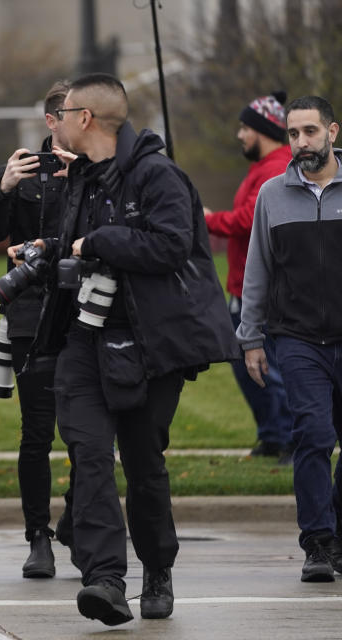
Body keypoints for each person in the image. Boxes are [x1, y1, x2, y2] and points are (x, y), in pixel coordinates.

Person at [17, 74, 238, 625]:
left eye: (63, 112)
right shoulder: (79, 179)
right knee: (89, 459)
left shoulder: (158, 175)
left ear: (86, 119)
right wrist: (49, 251)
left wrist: (99, 242)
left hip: (149, 346)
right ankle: (106, 580)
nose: (57, 122)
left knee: (143, 465)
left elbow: (171, 245)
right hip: (85, 340)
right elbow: (75, 247)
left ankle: (157, 570)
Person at [238, 95, 342, 583]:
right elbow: (258, 269)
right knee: (314, 437)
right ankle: (318, 543)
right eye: (293, 134)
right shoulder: (273, 196)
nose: (301, 142)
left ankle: (336, 528)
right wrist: (251, 338)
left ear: (332, 132)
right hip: (297, 339)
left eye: (310, 132)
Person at [0, 80, 70, 579]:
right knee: (37, 433)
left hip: (89, 311)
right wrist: (4, 185)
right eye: (76, 114)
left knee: (91, 433)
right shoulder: (28, 171)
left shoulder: (100, 170)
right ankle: (39, 535)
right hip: (33, 313)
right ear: (52, 121)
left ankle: (78, 519)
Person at [204, 92, 294, 463]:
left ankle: (291, 440)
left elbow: (247, 220)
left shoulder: (276, 168)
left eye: (245, 127)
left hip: (263, 292)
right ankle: (273, 435)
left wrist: (206, 219)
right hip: (242, 286)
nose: (240, 135)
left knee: (269, 369)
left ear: (262, 130)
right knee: (248, 368)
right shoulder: (264, 166)